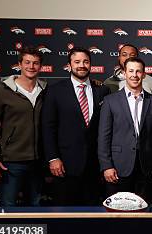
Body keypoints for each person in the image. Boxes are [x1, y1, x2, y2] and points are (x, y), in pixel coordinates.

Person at [41, 47, 111, 205]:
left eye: (86, 61)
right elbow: (48, 127)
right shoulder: (55, 91)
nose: (82, 65)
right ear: (69, 65)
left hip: (94, 166)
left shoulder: (102, 91)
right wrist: (53, 158)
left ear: (90, 65)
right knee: (64, 215)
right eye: (77, 61)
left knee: (92, 217)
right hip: (64, 165)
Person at [0, 47, 46, 207]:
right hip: (11, 163)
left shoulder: (46, 90)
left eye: (35, 63)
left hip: (38, 162)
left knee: (36, 207)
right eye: (27, 62)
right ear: (19, 64)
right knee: (8, 207)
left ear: (40, 66)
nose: (31, 67)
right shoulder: (3, 91)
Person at [98, 57, 152, 203]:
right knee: (117, 214)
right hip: (118, 167)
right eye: (131, 71)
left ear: (144, 74)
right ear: (124, 73)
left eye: (138, 71)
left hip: (146, 168)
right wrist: (106, 166)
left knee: (145, 214)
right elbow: (103, 137)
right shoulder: (110, 101)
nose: (134, 75)